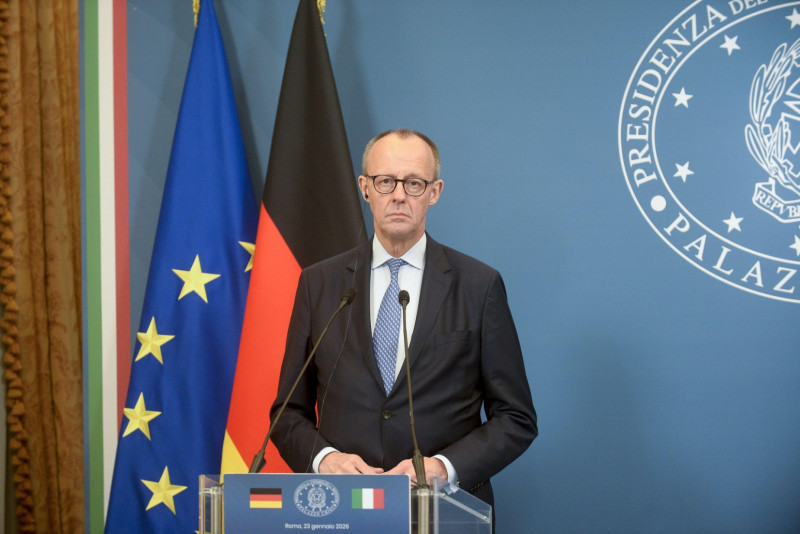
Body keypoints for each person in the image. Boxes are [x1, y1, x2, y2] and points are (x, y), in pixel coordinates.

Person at [269, 128, 537, 510]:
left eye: (413, 183)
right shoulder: (319, 284)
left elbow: (515, 417)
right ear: (365, 188)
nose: (398, 195)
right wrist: (324, 460)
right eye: (385, 181)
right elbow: (287, 414)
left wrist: (444, 467)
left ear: (434, 192)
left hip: (443, 511)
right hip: (345, 510)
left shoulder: (479, 285)